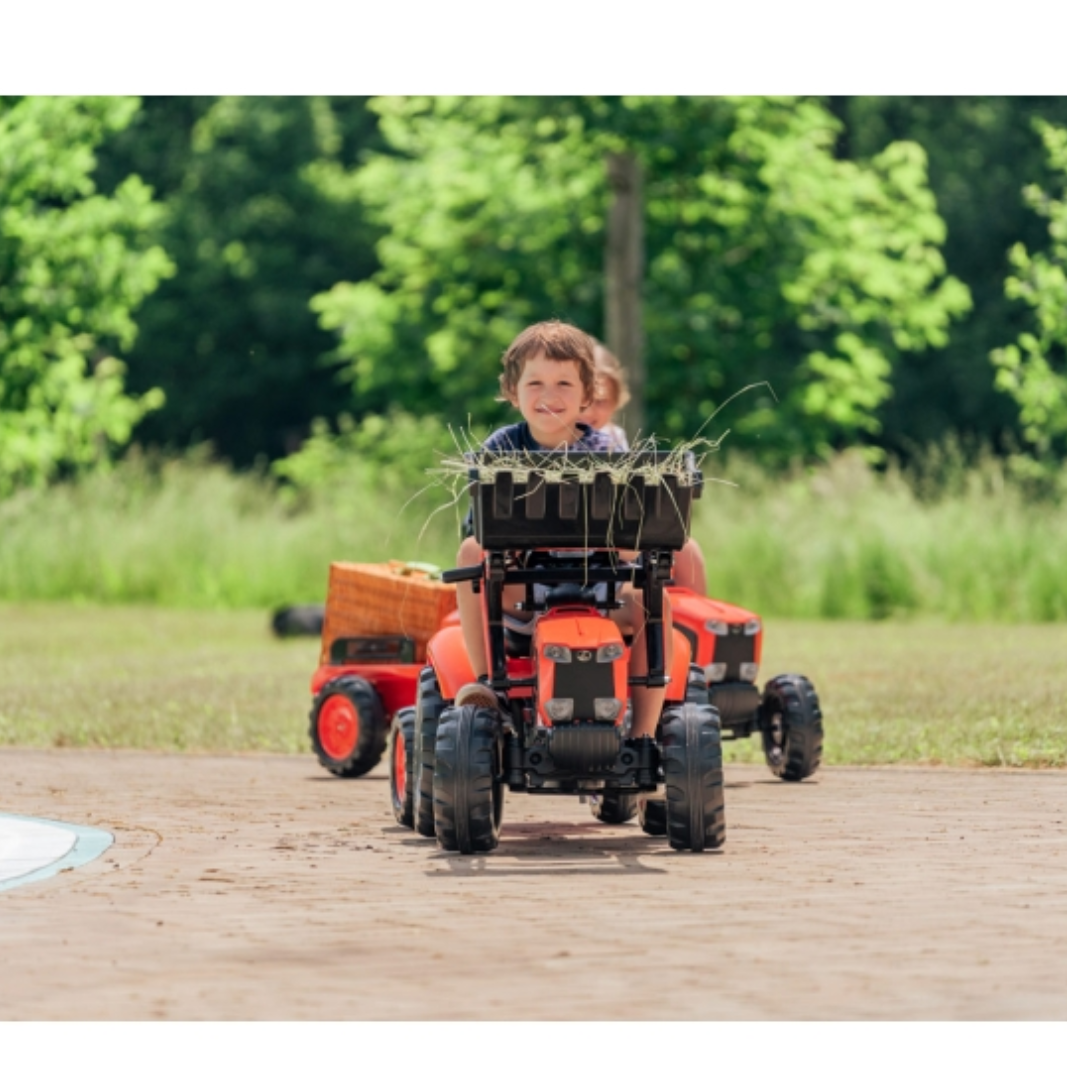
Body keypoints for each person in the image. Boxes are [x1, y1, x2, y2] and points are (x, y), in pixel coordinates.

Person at [454, 320, 673, 741]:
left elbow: (628, 548)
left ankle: (644, 734)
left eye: (564, 384)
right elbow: (479, 528)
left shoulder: (606, 452)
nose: (549, 396)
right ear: (512, 391)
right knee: (469, 549)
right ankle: (488, 684)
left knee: (657, 601)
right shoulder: (501, 449)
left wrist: (628, 543)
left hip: (598, 590)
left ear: (588, 394)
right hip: (521, 592)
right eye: (534, 383)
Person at [585, 342, 709, 598]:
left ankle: (692, 621)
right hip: (578, 538)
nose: (590, 412)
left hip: (619, 533)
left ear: (616, 400)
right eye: (584, 402)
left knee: (688, 549)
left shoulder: (615, 439)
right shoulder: (553, 440)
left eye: (601, 401)